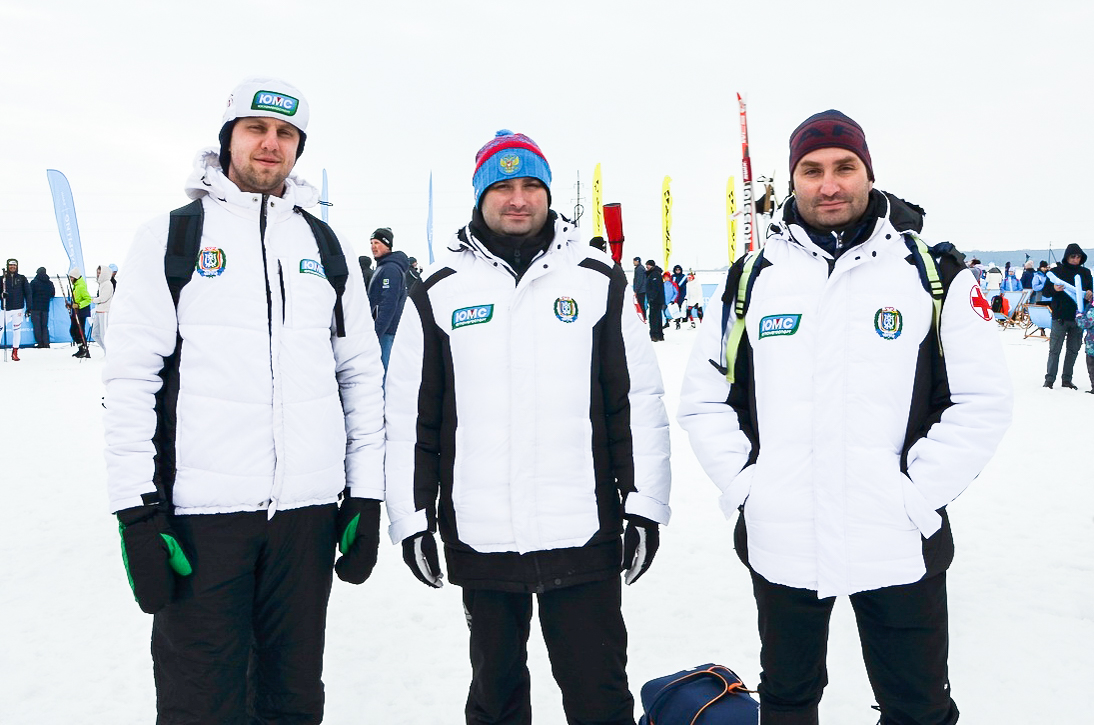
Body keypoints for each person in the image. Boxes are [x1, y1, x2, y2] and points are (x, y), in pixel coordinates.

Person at [678, 109, 1012, 725]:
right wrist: (750, 488)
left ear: (868, 174)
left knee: (919, 707)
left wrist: (915, 494)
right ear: (792, 181)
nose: (828, 184)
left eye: (843, 168)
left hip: (898, 540)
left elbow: (982, 400)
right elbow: (705, 398)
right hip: (785, 538)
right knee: (788, 700)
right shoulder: (753, 278)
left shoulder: (929, 273)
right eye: (811, 170)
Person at [102, 77, 386, 724]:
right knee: (199, 702)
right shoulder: (171, 238)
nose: (270, 144)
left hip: (305, 520)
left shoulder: (326, 245)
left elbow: (361, 376)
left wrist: (365, 497)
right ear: (228, 135)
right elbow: (129, 382)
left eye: (286, 134)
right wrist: (136, 516)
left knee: (291, 701)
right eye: (256, 128)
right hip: (203, 521)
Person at [384, 129, 671, 725]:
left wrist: (645, 505)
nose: (518, 200)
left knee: (598, 696)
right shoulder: (438, 289)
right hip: (482, 535)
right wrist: (412, 518)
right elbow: (412, 415)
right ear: (480, 197)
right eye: (503, 187)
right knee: (497, 695)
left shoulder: (597, 280)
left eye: (531, 186)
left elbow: (635, 401)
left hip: (583, 532)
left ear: (548, 195)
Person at [1043, 243, 1093, 389]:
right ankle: (1049, 380)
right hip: (1059, 317)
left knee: (1073, 350)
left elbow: (1091, 291)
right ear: (1067, 257)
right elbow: (1045, 292)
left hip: (1079, 319)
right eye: (1073, 256)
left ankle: (1067, 379)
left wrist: (1090, 293)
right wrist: (1054, 289)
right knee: (1054, 350)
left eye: (1078, 257)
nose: (1075, 259)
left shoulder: (1085, 273)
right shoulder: (1056, 271)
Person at [367, 226, 409, 369]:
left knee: (383, 370)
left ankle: (385, 392)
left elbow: (388, 303)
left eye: (377, 243)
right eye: (371, 243)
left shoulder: (390, 269)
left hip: (386, 331)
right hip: (381, 329)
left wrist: (378, 331)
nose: (373, 246)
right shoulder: (383, 267)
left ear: (387, 245)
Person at [1, 258, 30, 360]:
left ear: (17, 266)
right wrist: (2, 295)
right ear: (8, 266)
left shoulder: (22, 278)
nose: (12, 267)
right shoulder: (2, 278)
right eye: (10, 265)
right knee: (0, 329)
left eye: (14, 265)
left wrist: (29, 307)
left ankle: (15, 352)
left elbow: (28, 293)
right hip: (5, 309)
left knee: (17, 330)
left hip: (18, 308)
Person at [66, 266, 92, 358]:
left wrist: (78, 305)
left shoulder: (81, 286)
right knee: (73, 330)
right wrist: (71, 305)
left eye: (71, 277)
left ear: (76, 277)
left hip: (81, 312)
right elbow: (76, 299)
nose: (71, 279)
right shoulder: (76, 286)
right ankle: (81, 348)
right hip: (76, 311)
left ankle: (84, 349)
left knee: (79, 331)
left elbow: (88, 299)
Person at [28, 266, 55, 349]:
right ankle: (46, 343)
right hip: (45, 308)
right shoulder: (50, 283)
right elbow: (52, 294)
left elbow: (29, 294)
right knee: (44, 326)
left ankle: (40, 343)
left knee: (37, 326)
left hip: (35, 308)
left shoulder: (33, 282)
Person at [90, 263, 113, 352]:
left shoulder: (107, 284)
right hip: (99, 311)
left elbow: (103, 298)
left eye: (100, 273)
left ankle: (108, 353)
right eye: (97, 273)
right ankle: (106, 351)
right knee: (95, 334)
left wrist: (94, 300)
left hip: (105, 312)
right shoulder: (102, 284)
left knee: (104, 334)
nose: (98, 275)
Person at [645, 259, 665, 341]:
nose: (647, 267)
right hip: (657, 300)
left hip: (656, 300)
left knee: (654, 318)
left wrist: (651, 298)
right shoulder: (653, 274)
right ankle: (659, 334)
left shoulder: (655, 274)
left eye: (648, 265)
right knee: (657, 317)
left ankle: (655, 335)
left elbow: (655, 288)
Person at [670, 264, 689, 329]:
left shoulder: (683, 276)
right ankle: (677, 319)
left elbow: (684, 284)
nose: (678, 271)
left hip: (682, 293)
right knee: (676, 306)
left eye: (679, 270)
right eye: (676, 270)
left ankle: (684, 317)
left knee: (683, 306)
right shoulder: (672, 277)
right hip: (675, 293)